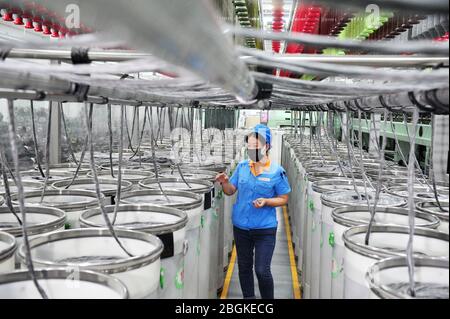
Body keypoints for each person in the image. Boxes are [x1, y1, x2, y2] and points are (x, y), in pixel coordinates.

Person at [215, 124, 291, 299]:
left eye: (255, 146)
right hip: (241, 227)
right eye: (249, 146)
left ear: (267, 146)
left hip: (265, 228)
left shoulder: (277, 172)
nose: (251, 149)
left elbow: (284, 198)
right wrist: (224, 182)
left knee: (262, 270)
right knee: (244, 267)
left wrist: (267, 201)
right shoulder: (242, 167)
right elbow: (230, 191)